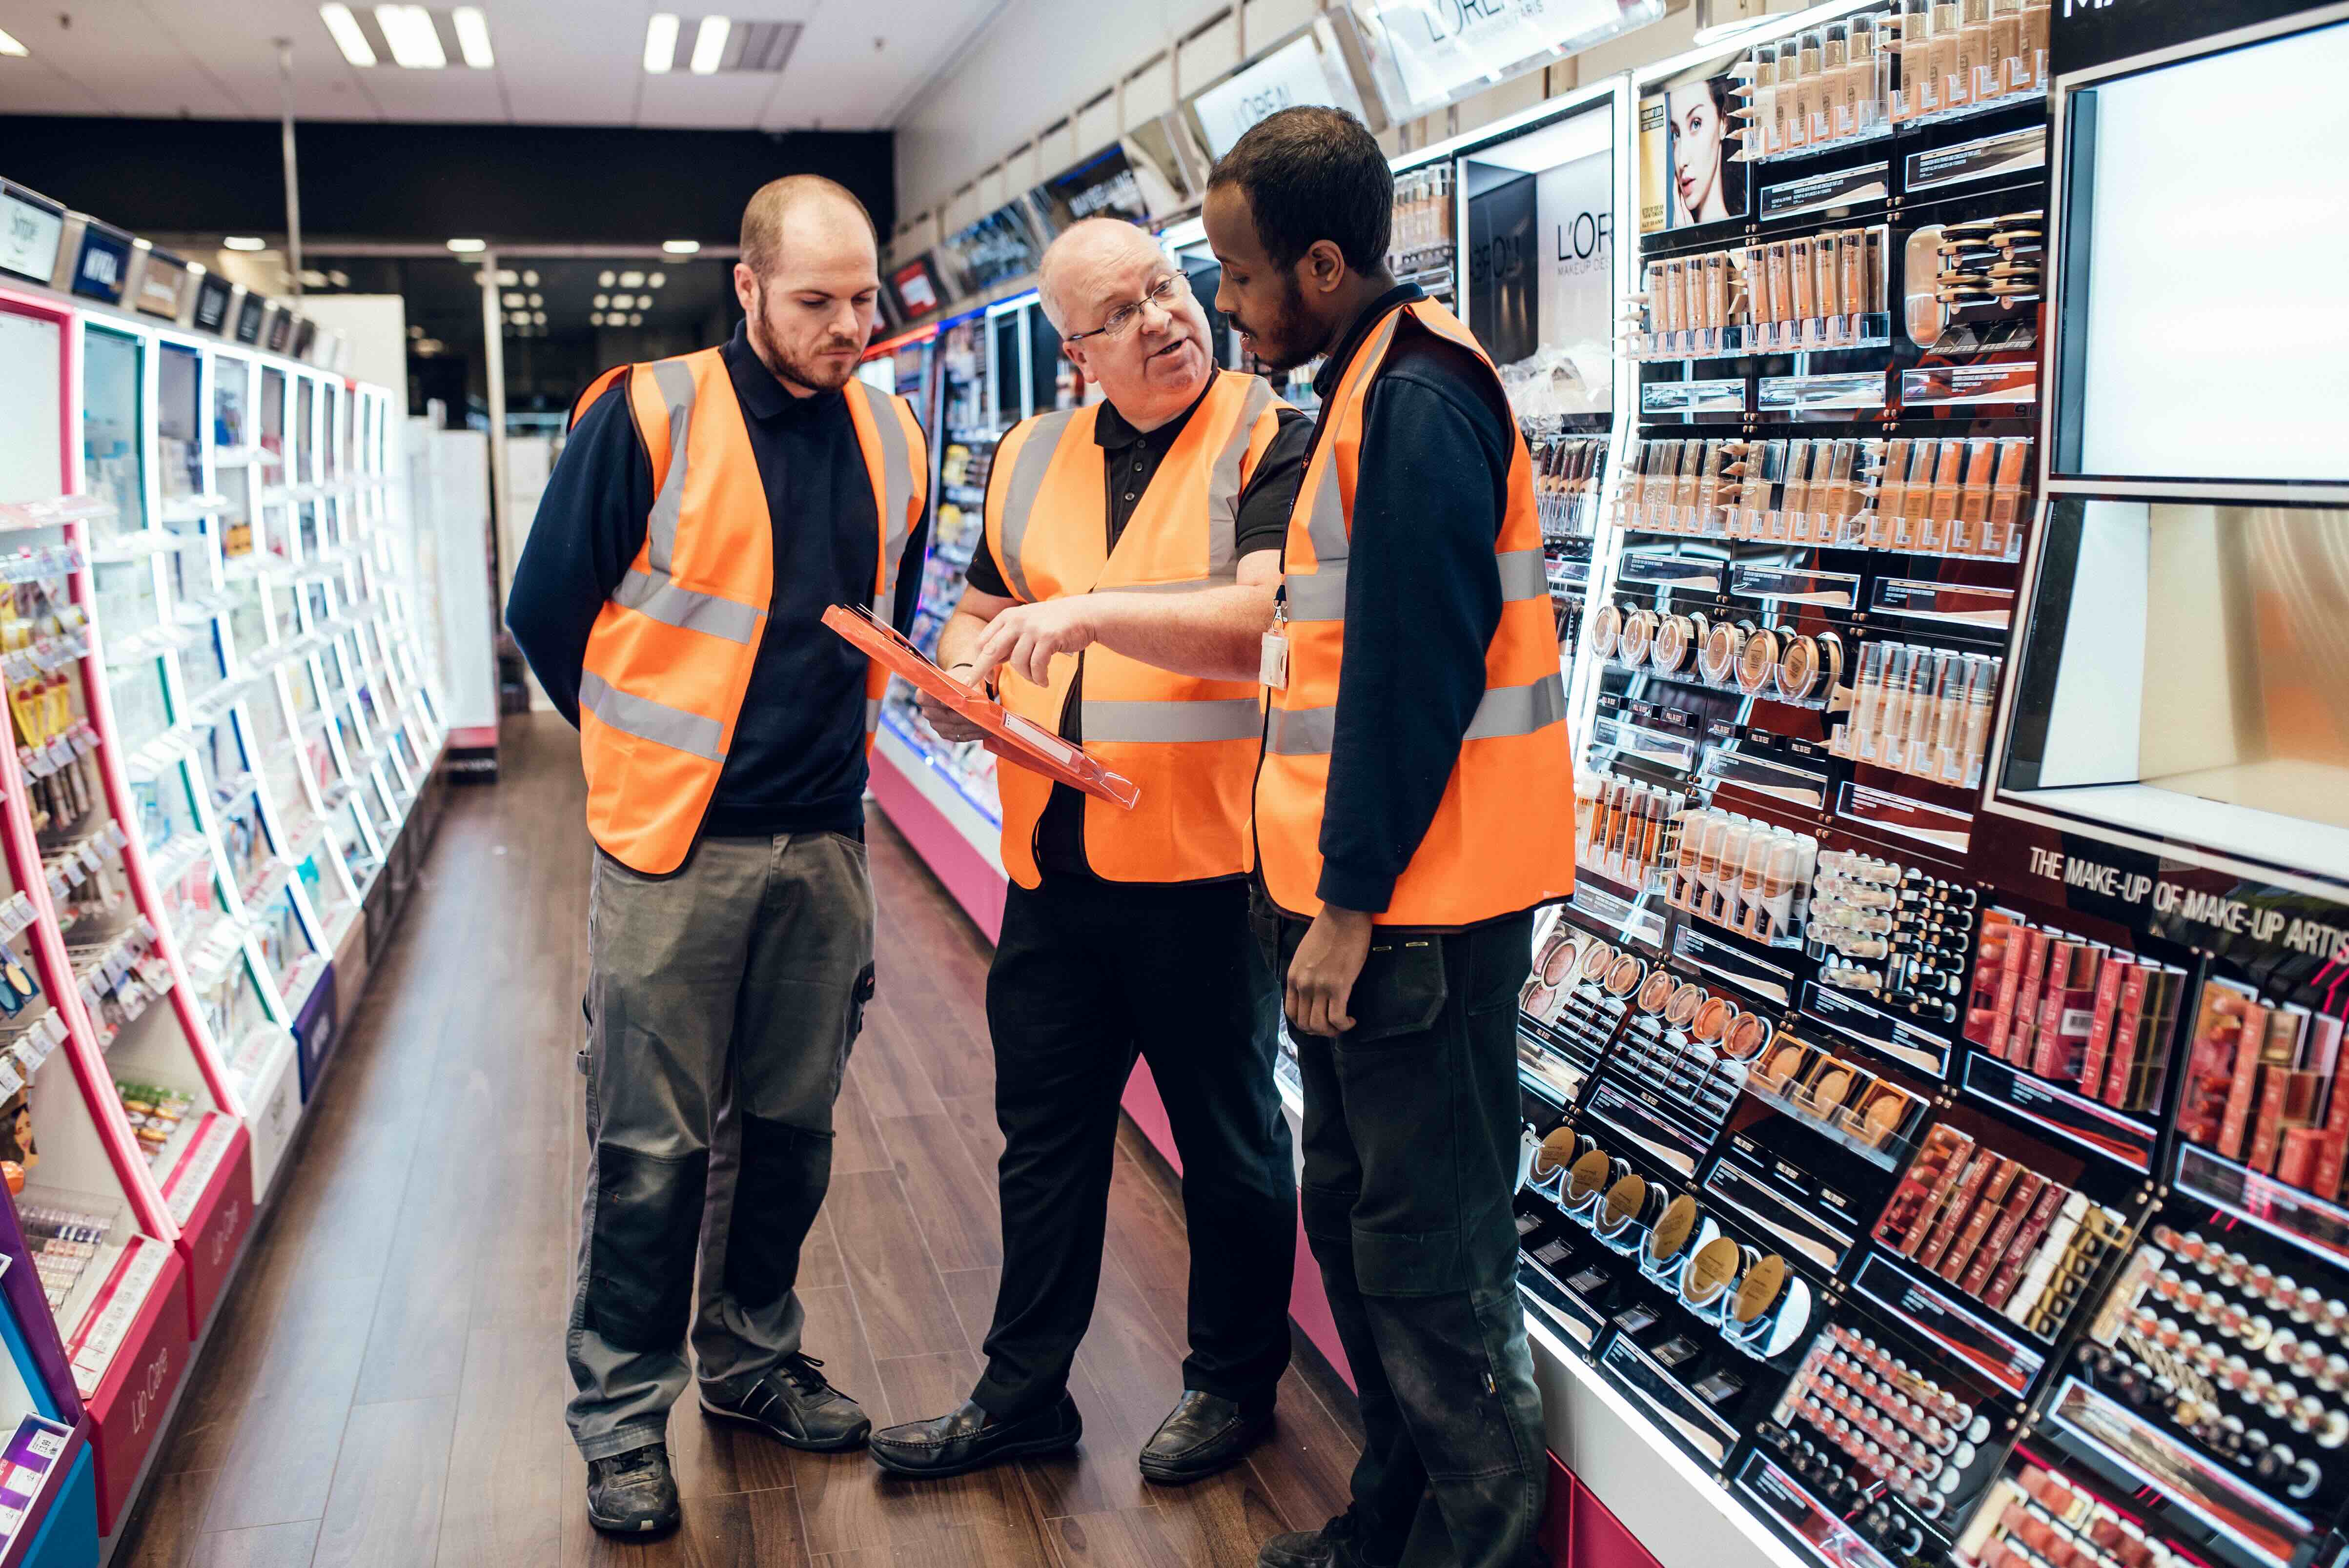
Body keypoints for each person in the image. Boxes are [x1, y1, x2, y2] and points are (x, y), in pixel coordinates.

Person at [506, 174, 929, 1538]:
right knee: (649, 1150)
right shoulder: (648, 410)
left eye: (863, 298)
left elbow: (884, 625)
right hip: (673, 852)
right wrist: (635, 754)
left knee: (792, 1137)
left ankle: (751, 1363)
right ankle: (625, 1420)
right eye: (816, 301)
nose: (848, 324)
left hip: (826, 844)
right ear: (746, 288)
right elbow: (545, 608)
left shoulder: (893, 434)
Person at [866, 217, 1309, 1484]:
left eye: (1168, 286)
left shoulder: (1263, 432)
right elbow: (984, 606)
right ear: (1075, 351)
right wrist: (959, 672)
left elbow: (1262, 624)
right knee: (1044, 1136)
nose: (1164, 317)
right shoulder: (1026, 454)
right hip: (1052, 865)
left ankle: (1232, 1387)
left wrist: (1089, 616)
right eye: (1121, 310)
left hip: (1205, 864)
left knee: (1229, 1143)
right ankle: (1023, 1398)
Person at [1202, 106, 1577, 1568]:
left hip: (1418, 916)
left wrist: (1347, 909)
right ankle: (1388, 1529)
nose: (1227, 309)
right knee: (1362, 1232)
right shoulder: (1363, 391)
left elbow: (1412, 685)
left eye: (1238, 278)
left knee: (1432, 1270)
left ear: (1321, 261)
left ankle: (1472, 1547)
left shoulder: (1415, 403)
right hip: (1366, 907)